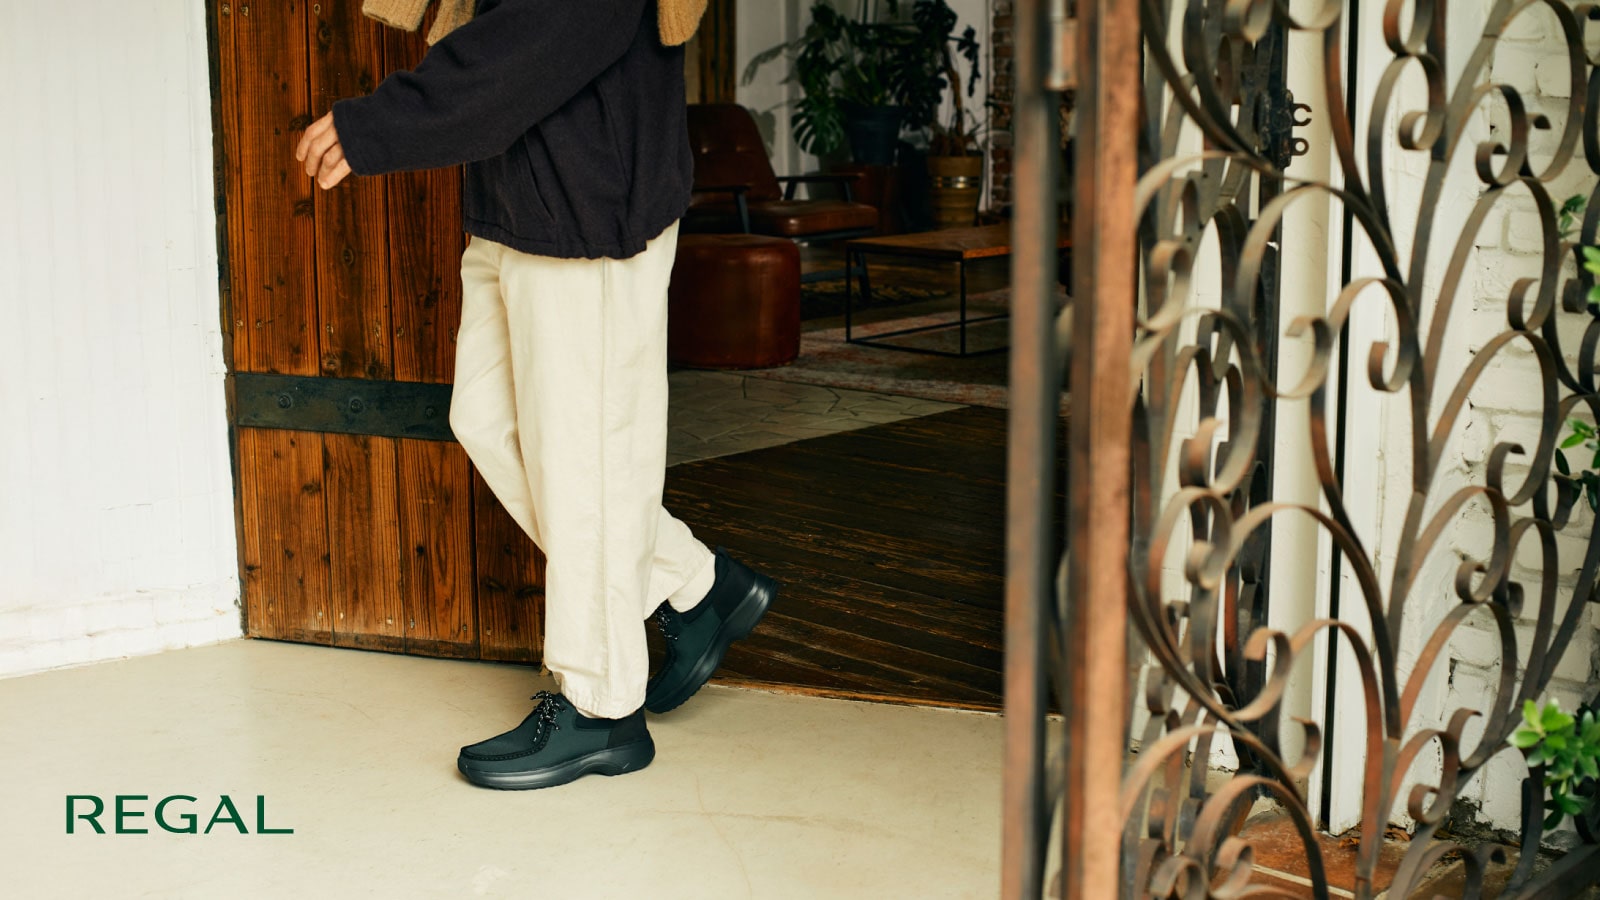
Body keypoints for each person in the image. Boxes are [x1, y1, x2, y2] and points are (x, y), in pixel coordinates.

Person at [294, 0, 778, 791]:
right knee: (488, 420)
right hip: (525, 193)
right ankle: (693, 584)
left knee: (583, 466)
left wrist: (378, 125)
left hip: (589, 203)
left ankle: (601, 708)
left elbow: (534, 39)